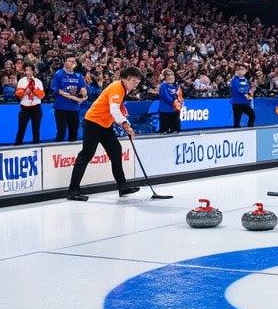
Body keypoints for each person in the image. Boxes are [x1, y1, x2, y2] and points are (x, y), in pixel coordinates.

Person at [67, 67, 143, 201]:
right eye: (133, 81)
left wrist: (127, 124)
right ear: (124, 79)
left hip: (104, 125)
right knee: (86, 154)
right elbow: (114, 110)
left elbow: (119, 109)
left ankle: (122, 185)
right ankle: (73, 190)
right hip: (93, 122)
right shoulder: (116, 87)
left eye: (137, 82)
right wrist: (125, 124)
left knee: (115, 150)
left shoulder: (123, 89)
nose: (135, 84)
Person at [50, 54, 87, 142]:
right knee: (61, 132)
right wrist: (74, 98)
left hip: (74, 108)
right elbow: (57, 90)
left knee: (74, 132)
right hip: (61, 107)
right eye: (70, 61)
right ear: (65, 62)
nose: (72, 63)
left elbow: (83, 88)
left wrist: (83, 94)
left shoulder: (79, 76)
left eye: (74, 61)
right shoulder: (59, 73)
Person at [14, 63, 45, 145]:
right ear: (24, 71)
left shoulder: (38, 82)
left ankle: (36, 144)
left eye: (30, 70)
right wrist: (25, 91)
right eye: (27, 70)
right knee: (21, 128)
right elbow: (18, 94)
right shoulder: (21, 81)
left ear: (33, 71)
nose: (28, 72)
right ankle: (18, 144)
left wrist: (34, 90)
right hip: (25, 107)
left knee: (36, 128)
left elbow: (42, 95)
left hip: (36, 107)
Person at [157, 68, 183, 134]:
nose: (172, 79)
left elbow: (180, 95)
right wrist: (174, 102)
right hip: (165, 110)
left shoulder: (176, 86)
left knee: (175, 129)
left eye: (173, 78)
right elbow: (165, 96)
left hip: (175, 110)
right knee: (164, 130)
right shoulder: (163, 86)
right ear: (166, 78)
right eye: (170, 78)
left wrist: (180, 102)